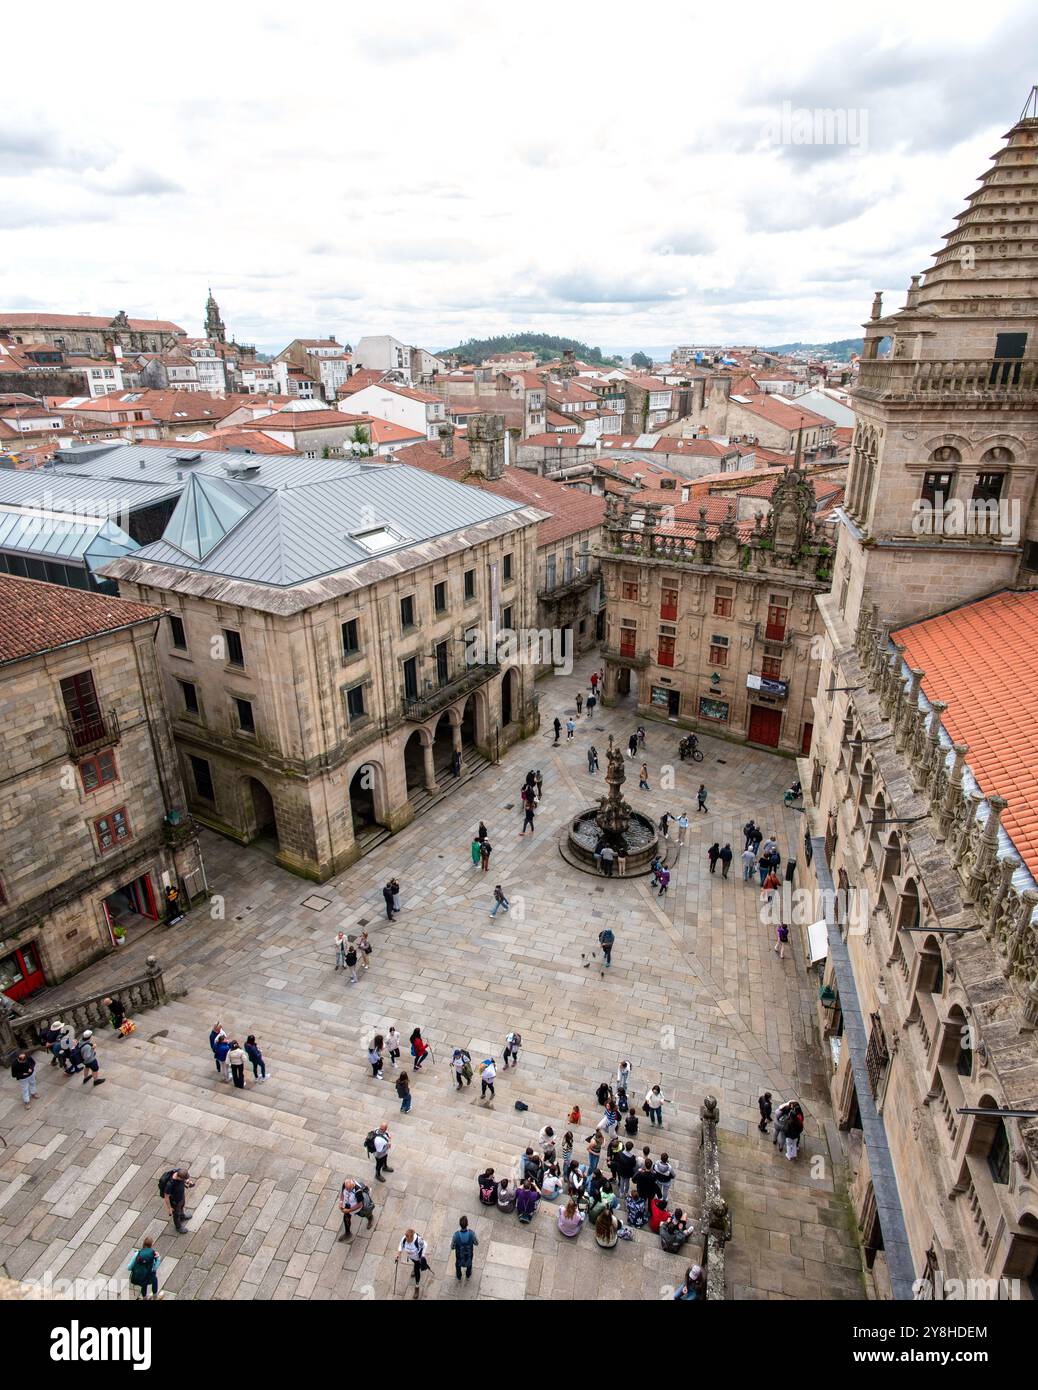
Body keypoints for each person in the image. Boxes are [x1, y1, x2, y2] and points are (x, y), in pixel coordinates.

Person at [338, 1176, 374, 1241]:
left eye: (349, 1189)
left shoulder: (358, 1191)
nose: (348, 1191)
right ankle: (348, 1233)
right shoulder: (345, 1184)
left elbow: (360, 1205)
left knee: (365, 1214)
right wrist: (341, 1202)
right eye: (347, 1189)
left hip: (358, 1208)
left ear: (353, 1185)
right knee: (346, 1218)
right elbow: (342, 1193)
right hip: (348, 1204)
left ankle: (370, 1218)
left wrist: (349, 1210)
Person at [396, 1229, 429, 1299]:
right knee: (415, 1264)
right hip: (411, 1257)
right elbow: (400, 1245)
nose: (407, 1241)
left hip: (417, 1259)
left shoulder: (418, 1240)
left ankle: (417, 1287)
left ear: (412, 1237)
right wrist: (398, 1254)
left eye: (408, 1239)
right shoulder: (405, 1238)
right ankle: (415, 1268)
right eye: (406, 1239)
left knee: (417, 1271)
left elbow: (425, 1245)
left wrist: (422, 1256)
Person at [162, 1168, 194, 1234]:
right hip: (174, 1201)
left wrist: (187, 1182)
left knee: (182, 1205)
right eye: (183, 1179)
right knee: (176, 1214)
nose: (184, 1180)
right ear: (179, 1177)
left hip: (180, 1196)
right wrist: (169, 1208)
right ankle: (178, 1227)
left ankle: (182, 1216)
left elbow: (185, 1179)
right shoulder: (170, 1184)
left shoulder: (179, 1171)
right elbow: (166, 1196)